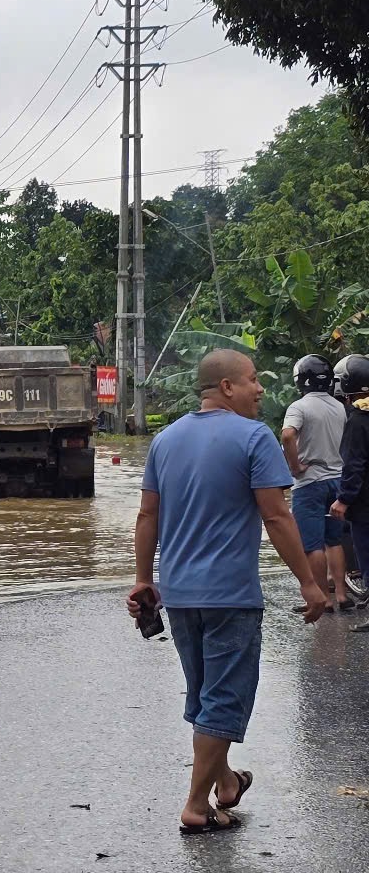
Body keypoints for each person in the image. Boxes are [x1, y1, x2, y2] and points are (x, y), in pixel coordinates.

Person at [127, 349, 323, 835]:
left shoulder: (165, 440)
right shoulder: (255, 437)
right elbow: (276, 516)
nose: (260, 388)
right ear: (228, 387)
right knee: (223, 699)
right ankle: (197, 804)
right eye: (253, 380)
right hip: (231, 596)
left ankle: (228, 782)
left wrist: (143, 578)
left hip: (180, 594)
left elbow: (147, 515)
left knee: (204, 694)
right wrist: (309, 582)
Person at [282, 354, 350, 612]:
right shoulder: (339, 407)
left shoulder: (299, 407)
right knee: (334, 541)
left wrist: (295, 466)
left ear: (301, 380)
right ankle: (342, 595)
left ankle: (323, 599)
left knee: (312, 544)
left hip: (310, 482)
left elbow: (288, 435)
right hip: (338, 481)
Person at [330, 355, 369, 629]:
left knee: (367, 555)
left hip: (364, 505)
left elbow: (354, 465)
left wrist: (343, 499)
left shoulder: (357, 420)